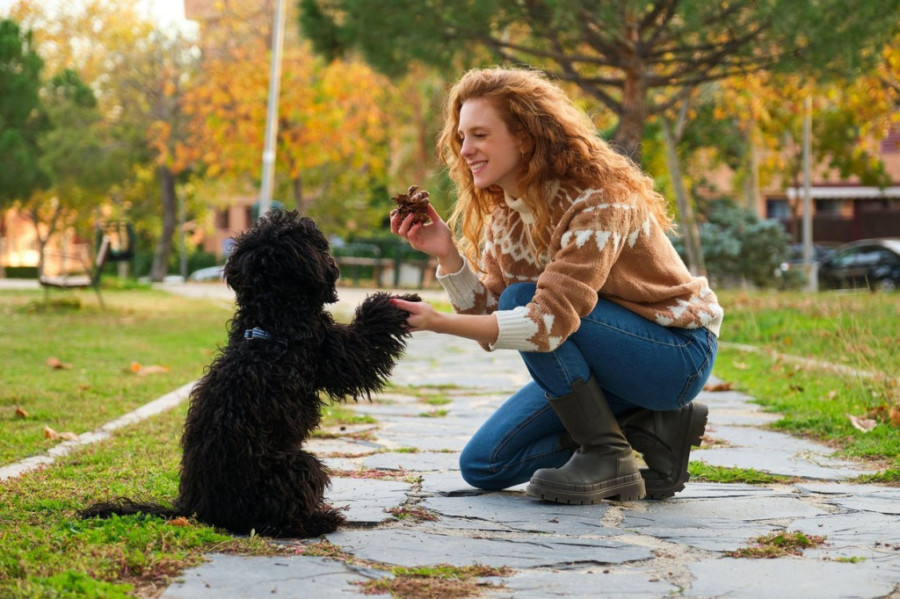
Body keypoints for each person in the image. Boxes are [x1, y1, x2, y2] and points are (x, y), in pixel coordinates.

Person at [389, 66, 723, 505]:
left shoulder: (599, 199)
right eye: (462, 137)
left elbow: (543, 323)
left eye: (480, 135)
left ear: (524, 137)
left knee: (523, 298)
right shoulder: (507, 215)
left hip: (674, 354)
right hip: (605, 360)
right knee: (484, 465)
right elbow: (494, 317)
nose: (465, 150)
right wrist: (447, 254)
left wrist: (438, 323)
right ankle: (647, 428)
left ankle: (608, 456)